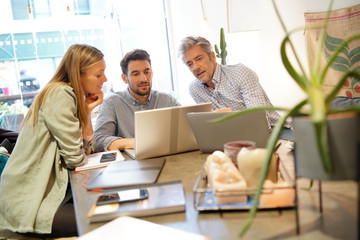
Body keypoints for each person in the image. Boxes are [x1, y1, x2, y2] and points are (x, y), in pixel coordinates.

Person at [0, 44, 107, 238]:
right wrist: (81, 152)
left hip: (46, 193)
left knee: (107, 208)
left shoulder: (68, 96)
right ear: (78, 74)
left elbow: (87, 151)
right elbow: (76, 158)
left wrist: (88, 112)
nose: (105, 79)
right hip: (30, 201)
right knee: (103, 220)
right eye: (99, 74)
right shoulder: (60, 94)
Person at [178, 36, 291, 132]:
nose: (195, 67)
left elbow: (261, 121)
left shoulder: (240, 73)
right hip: (236, 137)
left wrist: (232, 116)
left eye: (199, 59)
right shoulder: (195, 89)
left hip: (276, 132)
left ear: (212, 56)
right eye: (189, 64)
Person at [94, 49, 180, 152]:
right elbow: (99, 140)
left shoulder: (167, 100)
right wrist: (135, 143)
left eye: (147, 72)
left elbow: (186, 130)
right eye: (135, 74)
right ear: (124, 78)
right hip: (130, 164)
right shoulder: (112, 103)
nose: (143, 79)